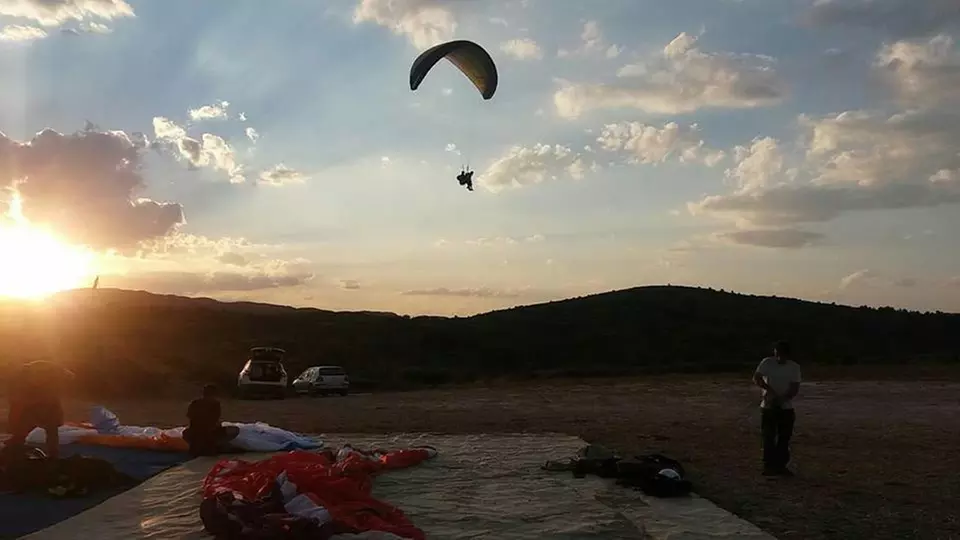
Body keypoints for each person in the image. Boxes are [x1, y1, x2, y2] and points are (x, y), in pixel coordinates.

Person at [3, 360, 71, 461]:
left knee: (50, 429)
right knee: (28, 422)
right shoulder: (23, 377)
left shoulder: (44, 374)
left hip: (47, 404)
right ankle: (18, 441)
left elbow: (69, 376)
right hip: (38, 403)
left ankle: (53, 454)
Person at [752, 340, 801, 476]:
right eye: (777, 353)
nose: (779, 356)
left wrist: (782, 399)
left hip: (785, 407)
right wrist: (769, 392)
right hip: (768, 406)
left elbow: (794, 387)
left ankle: (780, 465)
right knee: (768, 436)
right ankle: (769, 465)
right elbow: (757, 378)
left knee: (784, 437)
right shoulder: (767, 362)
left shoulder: (794, 367)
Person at [183, 384, 239, 457]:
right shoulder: (215, 404)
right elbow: (214, 421)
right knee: (234, 430)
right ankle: (213, 445)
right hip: (208, 434)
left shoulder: (195, 402)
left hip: (194, 434)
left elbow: (190, 417)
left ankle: (201, 445)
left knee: (186, 432)